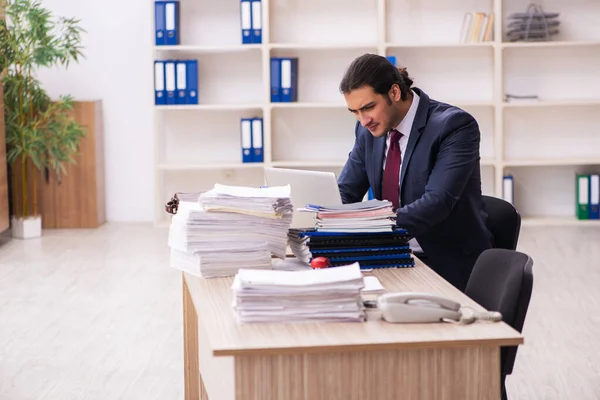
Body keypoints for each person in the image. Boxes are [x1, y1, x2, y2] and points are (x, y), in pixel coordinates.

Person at [337, 53, 493, 292]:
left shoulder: (454, 126)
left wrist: (369, 231)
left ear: (394, 93)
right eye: (355, 111)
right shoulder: (367, 129)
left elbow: (437, 202)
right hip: (388, 257)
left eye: (368, 107)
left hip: (444, 265)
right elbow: (346, 191)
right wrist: (317, 219)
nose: (363, 119)